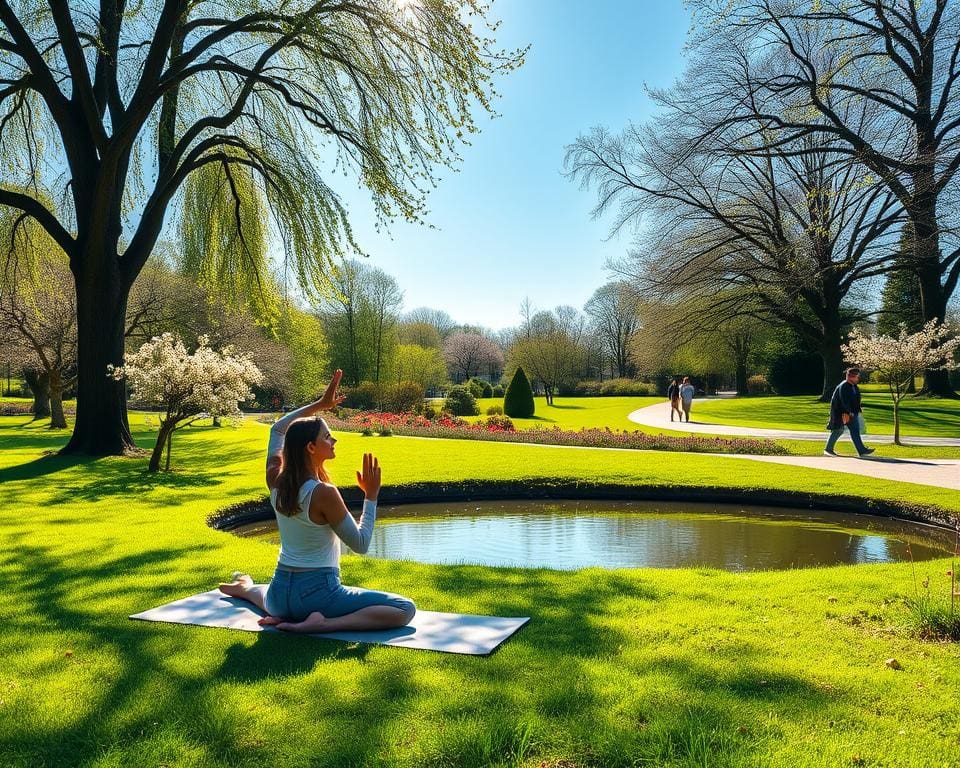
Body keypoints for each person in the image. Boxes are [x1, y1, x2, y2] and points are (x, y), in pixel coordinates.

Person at [219, 370, 416, 633]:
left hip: (279, 597)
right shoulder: (323, 492)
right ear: (311, 447)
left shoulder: (274, 478)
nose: (333, 440)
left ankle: (244, 588)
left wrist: (320, 406)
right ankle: (323, 624)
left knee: (261, 594)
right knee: (404, 609)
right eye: (327, 436)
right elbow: (360, 544)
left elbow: (278, 429)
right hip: (318, 597)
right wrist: (371, 496)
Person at [824, 367, 874, 457]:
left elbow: (855, 400)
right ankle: (828, 449)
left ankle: (861, 450)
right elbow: (844, 401)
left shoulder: (853, 386)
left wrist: (857, 410)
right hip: (842, 414)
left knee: (855, 430)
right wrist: (848, 412)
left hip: (851, 413)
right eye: (857, 377)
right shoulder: (844, 386)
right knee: (838, 430)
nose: (858, 378)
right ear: (851, 376)